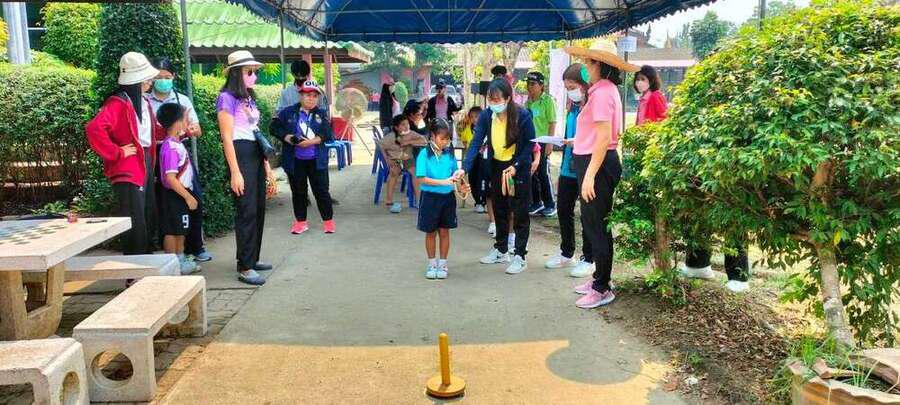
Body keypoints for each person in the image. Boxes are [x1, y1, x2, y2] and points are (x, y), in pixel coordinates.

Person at [565, 42, 639, 308]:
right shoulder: (601, 90)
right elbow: (595, 133)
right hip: (593, 162)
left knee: (597, 225)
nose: (585, 67)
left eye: (589, 63)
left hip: (597, 165)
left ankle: (602, 287)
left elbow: (605, 137)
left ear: (601, 65)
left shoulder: (603, 92)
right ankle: (599, 277)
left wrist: (589, 176)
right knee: (593, 223)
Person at [86, 52, 165, 256]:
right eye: (146, 79)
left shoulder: (143, 102)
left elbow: (151, 132)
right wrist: (117, 152)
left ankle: (146, 259)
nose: (150, 82)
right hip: (129, 167)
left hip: (144, 161)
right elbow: (94, 128)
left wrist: (177, 131)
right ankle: (136, 264)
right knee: (135, 218)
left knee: (147, 212)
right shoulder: (117, 103)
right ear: (136, 81)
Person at [459, 78, 536, 275]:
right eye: (490, 100)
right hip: (497, 166)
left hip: (518, 167)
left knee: (519, 212)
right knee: (500, 208)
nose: (493, 103)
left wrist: (516, 166)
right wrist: (464, 168)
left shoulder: (522, 115)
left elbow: (529, 145)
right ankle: (501, 250)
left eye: (497, 99)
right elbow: (476, 142)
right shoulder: (486, 116)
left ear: (508, 98)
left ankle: (520, 256)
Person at [216, 50, 275, 286]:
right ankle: (245, 266)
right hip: (240, 153)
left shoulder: (248, 97)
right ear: (236, 74)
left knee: (258, 208)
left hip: (254, 152)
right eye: (249, 72)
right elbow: (226, 137)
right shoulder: (226, 98)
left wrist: (266, 166)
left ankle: (252, 257)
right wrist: (235, 171)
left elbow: (255, 131)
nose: (254, 76)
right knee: (246, 210)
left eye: (254, 72)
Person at [148, 57, 212, 263]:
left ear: (173, 77)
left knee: (193, 200)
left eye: (167, 77)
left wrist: (191, 129)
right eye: (158, 77)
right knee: (168, 208)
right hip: (158, 155)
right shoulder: (146, 101)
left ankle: (195, 247)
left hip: (179, 154)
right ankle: (173, 256)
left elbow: (197, 129)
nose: (163, 81)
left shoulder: (182, 100)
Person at [544, 63, 595, 278]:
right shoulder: (572, 107)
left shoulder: (593, 105)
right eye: (567, 88)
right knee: (563, 209)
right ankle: (567, 253)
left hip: (586, 167)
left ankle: (589, 258)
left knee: (587, 214)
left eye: (572, 87)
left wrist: (578, 142)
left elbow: (598, 137)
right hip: (568, 167)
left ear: (584, 85)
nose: (570, 91)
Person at [272, 80, 336, 234]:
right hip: (295, 161)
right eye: (308, 95)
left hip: (317, 161)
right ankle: (301, 222)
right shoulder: (287, 112)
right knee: (299, 192)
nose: (311, 98)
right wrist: (287, 137)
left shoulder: (321, 113)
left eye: (315, 96)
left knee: (321, 191)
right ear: (300, 95)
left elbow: (328, 133)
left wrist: (311, 142)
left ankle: (328, 222)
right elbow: (274, 127)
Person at [416, 119, 466, 279]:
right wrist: (443, 182)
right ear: (432, 136)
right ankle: (432, 264)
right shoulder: (424, 154)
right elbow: (421, 178)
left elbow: (456, 174)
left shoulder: (449, 154)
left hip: (447, 198)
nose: (445, 142)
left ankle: (443, 263)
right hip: (429, 198)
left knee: (445, 231)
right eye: (442, 138)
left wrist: (461, 185)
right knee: (430, 232)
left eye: (448, 138)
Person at [155, 103, 201, 275]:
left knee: (181, 228)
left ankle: (180, 259)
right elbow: (170, 178)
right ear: (178, 122)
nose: (187, 122)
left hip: (180, 193)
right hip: (174, 195)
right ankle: (172, 263)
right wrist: (188, 196)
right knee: (172, 230)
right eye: (185, 119)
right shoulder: (170, 147)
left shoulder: (176, 143)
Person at [524, 71, 558, 217]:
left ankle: (550, 204)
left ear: (541, 85)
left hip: (543, 141)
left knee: (543, 172)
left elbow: (552, 122)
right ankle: (537, 202)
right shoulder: (528, 102)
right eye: (528, 84)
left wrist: (550, 143)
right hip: (531, 142)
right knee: (532, 172)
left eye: (533, 84)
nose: (530, 87)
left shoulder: (547, 101)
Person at [379, 114, 428, 213]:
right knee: (393, 173)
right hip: (395, 159)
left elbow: (424, 141)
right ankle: (389, 200)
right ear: (396, 128)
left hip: (408, 159)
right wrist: (387, 159)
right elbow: (381, 146)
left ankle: (419, 200)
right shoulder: (391, 137)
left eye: (407, 124)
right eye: (403, 125)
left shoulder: (411, 134)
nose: (406, 126)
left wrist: (410, 142)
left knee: (416, 174)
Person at [457, 106, 487, 213]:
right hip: (472, 158)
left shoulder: (486, 128)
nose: (474, 119)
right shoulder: (467, 129)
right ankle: (477, 201)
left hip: (483, 157)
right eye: (472, 117)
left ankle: (483, 201)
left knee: (482, 179)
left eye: (477, 116)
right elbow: (465, 141)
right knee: (472, 179)